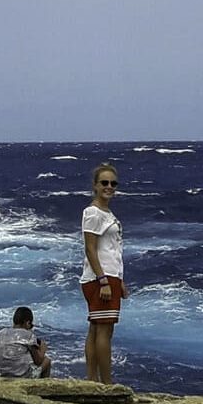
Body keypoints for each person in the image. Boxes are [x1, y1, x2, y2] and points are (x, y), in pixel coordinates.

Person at [80, 163, 128, 384]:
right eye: (104, 183)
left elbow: (112, 250)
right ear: (95, 186)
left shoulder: (107, 213)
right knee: (104, 331)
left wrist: (120, 280)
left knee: (96, 328)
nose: (109, 187)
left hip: (110, 276)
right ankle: (105, 383)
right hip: (101, 278)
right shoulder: (93, 213)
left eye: (113, 183)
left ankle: (93, 381)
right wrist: (103, 280)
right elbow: (90, 248)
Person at [0, 306, 51, 378]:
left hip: (0, 374)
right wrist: (42, 349)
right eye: (31, 325)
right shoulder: (28, 335)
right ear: (27, 323)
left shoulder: (1, 333)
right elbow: (38, 361)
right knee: (47, 361)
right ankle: (41, 385)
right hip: (21, 375)